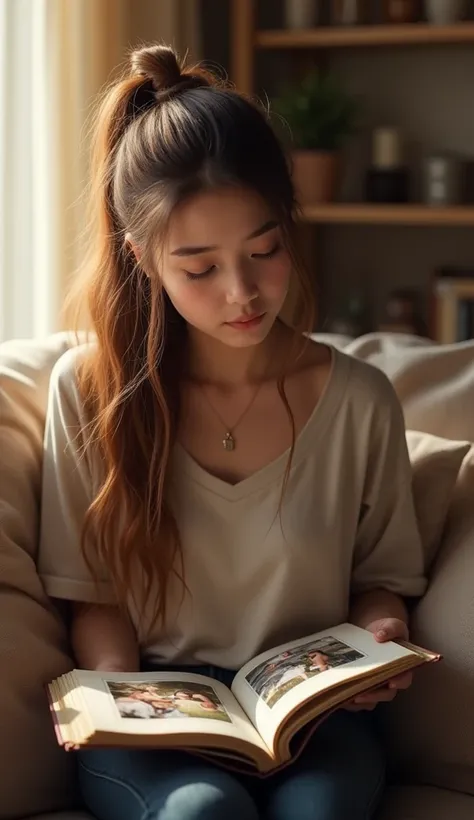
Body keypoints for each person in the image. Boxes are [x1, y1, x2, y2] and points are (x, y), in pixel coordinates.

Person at [38, 43, 427, 820]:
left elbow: (381, 580)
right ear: (142, 258)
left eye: (264, 251)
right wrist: (125, 710)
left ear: (290, 225)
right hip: (158, 721)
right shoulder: (90, 394)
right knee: (199, 813)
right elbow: (95, 600)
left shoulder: (359, 401)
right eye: (200, 267)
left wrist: (383, 632)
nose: (243, 293)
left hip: (315, 722)